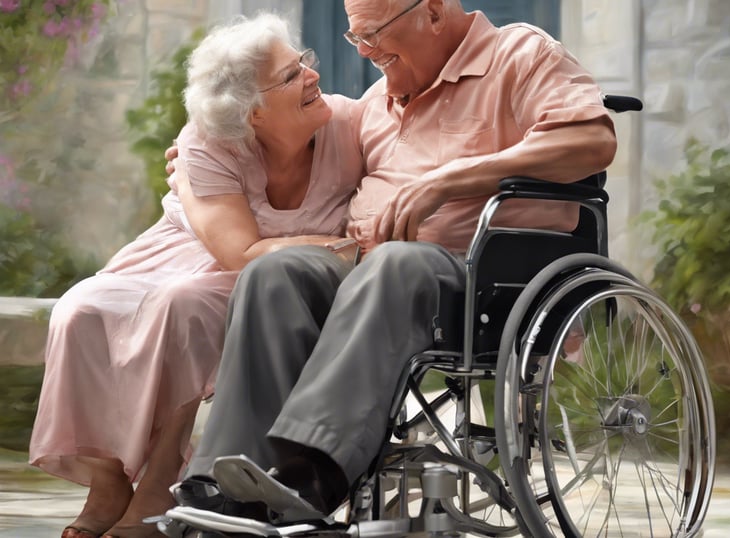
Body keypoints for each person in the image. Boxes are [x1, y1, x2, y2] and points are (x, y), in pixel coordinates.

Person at [173, 0, 617, 520]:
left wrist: (451, 179)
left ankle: (311, 474)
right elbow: (284, 133)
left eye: (373, 33)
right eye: (354, 37)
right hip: (373, 272)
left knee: (394, 265)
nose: (364, 51)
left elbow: (591, 139)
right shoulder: (376, 101)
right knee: (276, 273)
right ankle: (232, 484)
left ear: (430, 12)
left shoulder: (518, 54)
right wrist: (203, 153)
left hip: (486, 278)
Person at [29, 13, 363, 538]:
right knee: (79, 307)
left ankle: (160, 483)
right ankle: (108, 478)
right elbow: (237, 249)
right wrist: (332, 241)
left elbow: (251, 262)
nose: (313, 75)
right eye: (291, 75)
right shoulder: (209, 139)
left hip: (268, 282)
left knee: (183, 306)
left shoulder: (351, 124)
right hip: (189, 253)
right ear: (252, 113)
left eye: (304, 62)